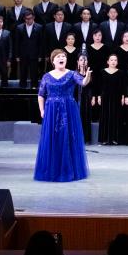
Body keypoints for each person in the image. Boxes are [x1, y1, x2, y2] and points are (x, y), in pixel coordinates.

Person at [34, 49, 91, 182]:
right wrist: (42, 110)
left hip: (68, 110)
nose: (61, 58)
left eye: (63, 56)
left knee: (68, 137)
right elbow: (41, 95)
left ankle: (69, 169)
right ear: (53, 61)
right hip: (51, 111)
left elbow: (83, 82)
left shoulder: (72, 74)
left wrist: (87, 76)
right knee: (52, 138)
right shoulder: (47, 76)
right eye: (58, 57)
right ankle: (52, 169)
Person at [97, 54, 124, 145]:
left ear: (117, 62)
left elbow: (122, 86)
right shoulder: (102, 72)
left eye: (115, 60)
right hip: (105, 97)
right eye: (111, 60)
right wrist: (99, 97)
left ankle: (115, 138)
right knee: (105, 116)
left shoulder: (120, 72)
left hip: (117, 97)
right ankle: (104, 139)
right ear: (108, 61)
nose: (113, 62)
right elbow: (100, 86)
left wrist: (123, 97)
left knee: (116, 117)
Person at [14, 11, 43, 89]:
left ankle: (34, 89)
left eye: (30, 18)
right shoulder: (19, 27)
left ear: (33, 17)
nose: (28, 20)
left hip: (35, 55)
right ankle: (22, 89)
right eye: (26, 19)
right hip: (23, 55)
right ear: (24, 19)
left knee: (34, 73)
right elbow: (17, 43)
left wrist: (40, 55)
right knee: (23, 73)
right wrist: (17, 55)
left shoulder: (39, 27)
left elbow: (41, 43)